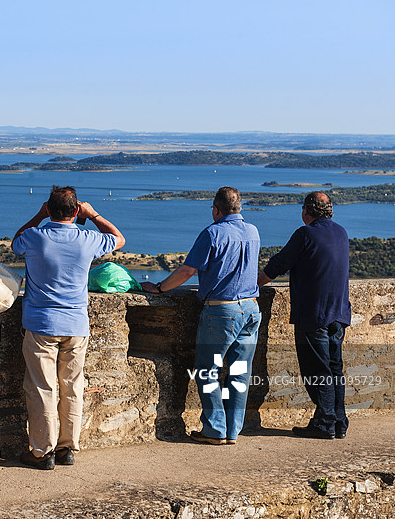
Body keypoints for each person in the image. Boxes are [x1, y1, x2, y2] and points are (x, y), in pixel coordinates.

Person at [12, 186, 125, 469]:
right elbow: (118, 239)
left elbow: (15, 242)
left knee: (42, 388)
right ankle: (66, 448)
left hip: (41, 324)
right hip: (76, 325)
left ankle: (42, 451)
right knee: (72, 388)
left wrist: (39, 215)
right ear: (76, 211)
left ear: (49, 209)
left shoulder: (35, 237)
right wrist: (93, 214)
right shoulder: (87, 239)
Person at [142, 186, 260, 446]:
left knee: (208, 371)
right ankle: (233, 431)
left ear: (216, 210)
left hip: (222, 311)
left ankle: (216, 429)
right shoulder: (253, 231)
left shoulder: (212, 233)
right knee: (240, 372)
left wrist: (160, 288)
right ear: (238, 207)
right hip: (251, 309)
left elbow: (186, 272)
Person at [258, 192, 351, 439]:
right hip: (339, 313)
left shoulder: (305, 234)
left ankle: (324, 424)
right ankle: (339, 422)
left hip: (314, 314)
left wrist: (254, 284)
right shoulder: (341, 232)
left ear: (306, 211)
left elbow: (278, 265)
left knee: (317, 372)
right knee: (334, 369)